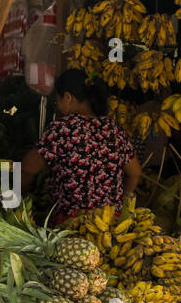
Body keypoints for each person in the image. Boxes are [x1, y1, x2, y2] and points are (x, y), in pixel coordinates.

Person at [21, 69, 141, 221]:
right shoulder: (113, 129)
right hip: (109, 225)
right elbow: (135, 173)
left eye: (57, 100)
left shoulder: (62, 128)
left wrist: (18, 198)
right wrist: (119, 209)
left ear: (68, 97)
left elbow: (27, 168)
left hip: (70, 223)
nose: (57, 105)